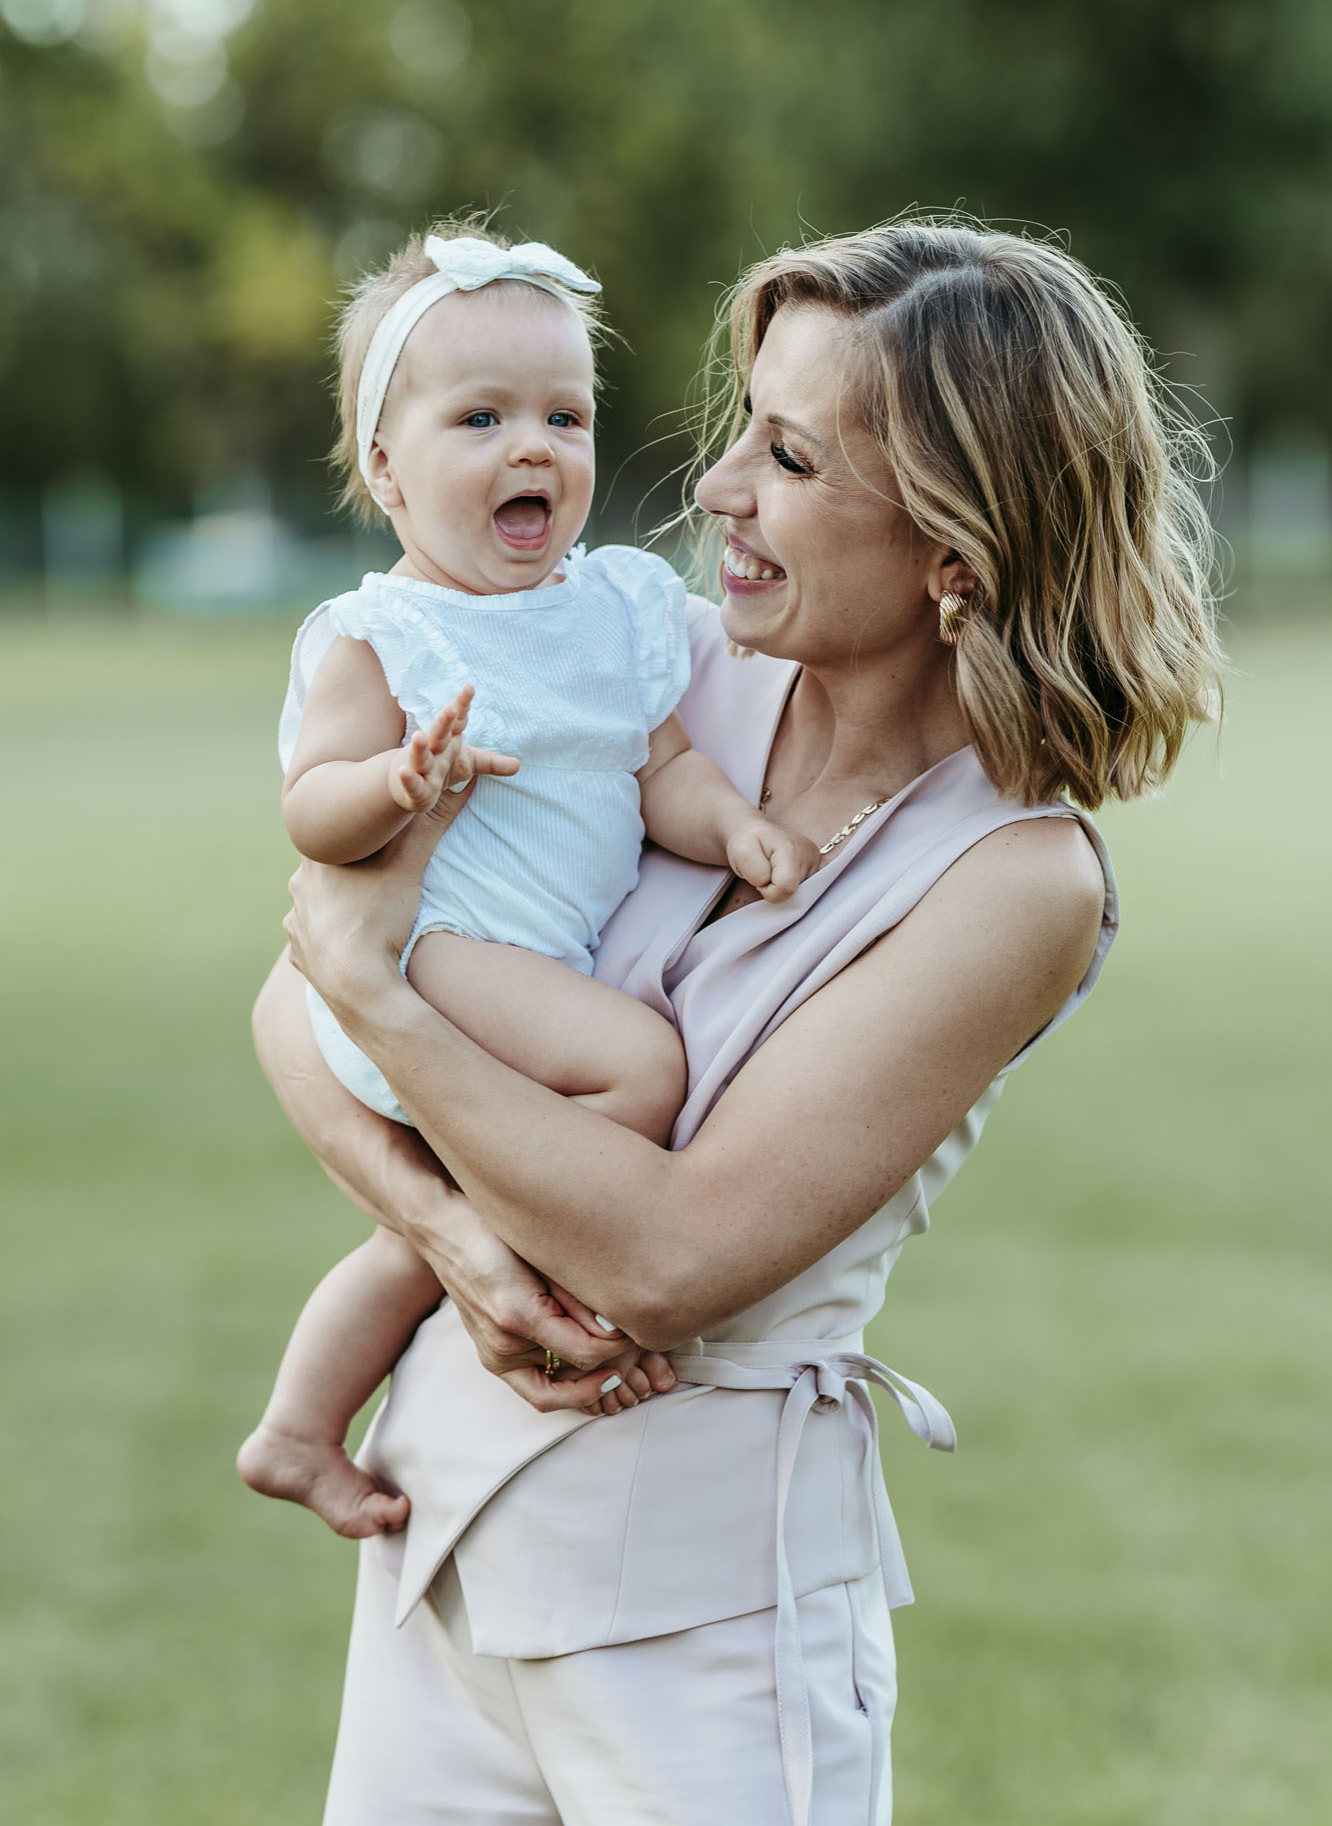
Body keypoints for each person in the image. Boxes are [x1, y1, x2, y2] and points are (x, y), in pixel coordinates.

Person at [253, 217, 1222, 1826]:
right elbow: (289, 996)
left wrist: (376, 997)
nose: (714, 489)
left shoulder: (1013, 879)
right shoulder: (654, 666)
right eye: (740, 432)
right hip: (438, 1541)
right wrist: (451, 1237)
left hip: (705, 1627)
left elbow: (668, 1259)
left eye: (788, 456)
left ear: (956, 549)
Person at [238, 221, 817, 1542]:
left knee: (417, 1241)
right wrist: (393, 786)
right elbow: (309, 808)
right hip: (434, 948)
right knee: (642, 1068)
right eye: (480, 418)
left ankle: (297, 1430)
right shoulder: (385, 635)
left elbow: (662, 768)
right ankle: (558, 1263)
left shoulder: (613, 609)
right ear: (385, 467)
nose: (534, 448)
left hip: (508, 976)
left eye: (565, 416)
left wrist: (733, 827)